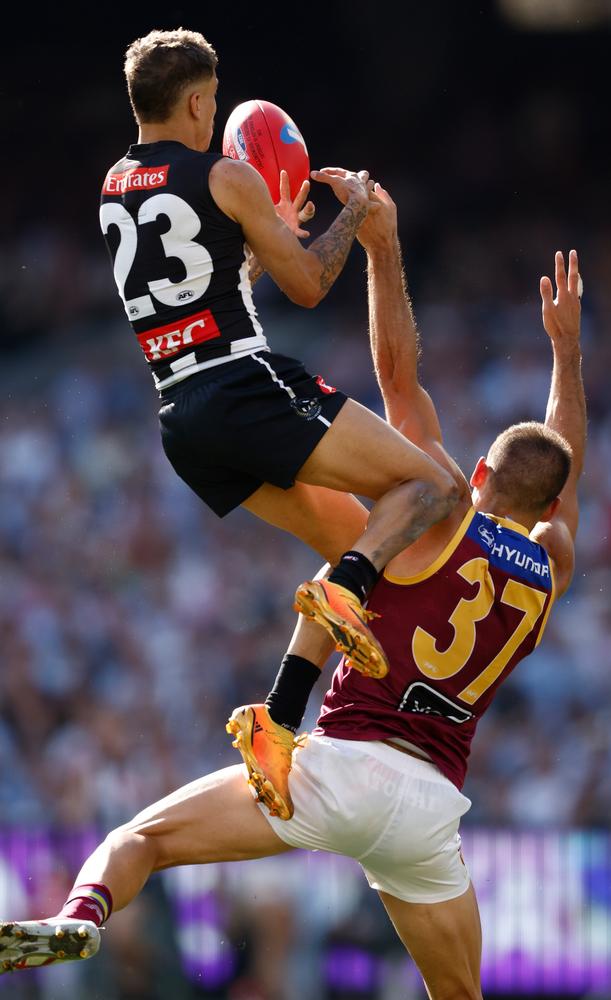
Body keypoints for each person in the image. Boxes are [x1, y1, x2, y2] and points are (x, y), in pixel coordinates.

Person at [0, 190, 585, 1000]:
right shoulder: (550, 568)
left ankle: (82, 915)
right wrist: (569, 357)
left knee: (140, 841)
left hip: (337, 767)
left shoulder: (435, 513)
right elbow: (568, 473)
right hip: (428, 813)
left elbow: (395, 375)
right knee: (462, 996)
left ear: (480, 474)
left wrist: (383, 248)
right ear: (551, 509)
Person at [99, 27, 460, 686]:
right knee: (432, 488)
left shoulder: (115, 187)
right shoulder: (225, 175)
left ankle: (281, 715)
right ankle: (339, 596)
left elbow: (201, 290)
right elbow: (311, 286)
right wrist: (350, 214)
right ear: (200, 105)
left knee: (367, 550)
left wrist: (264, 245)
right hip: (242, 385)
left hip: (182, 418)